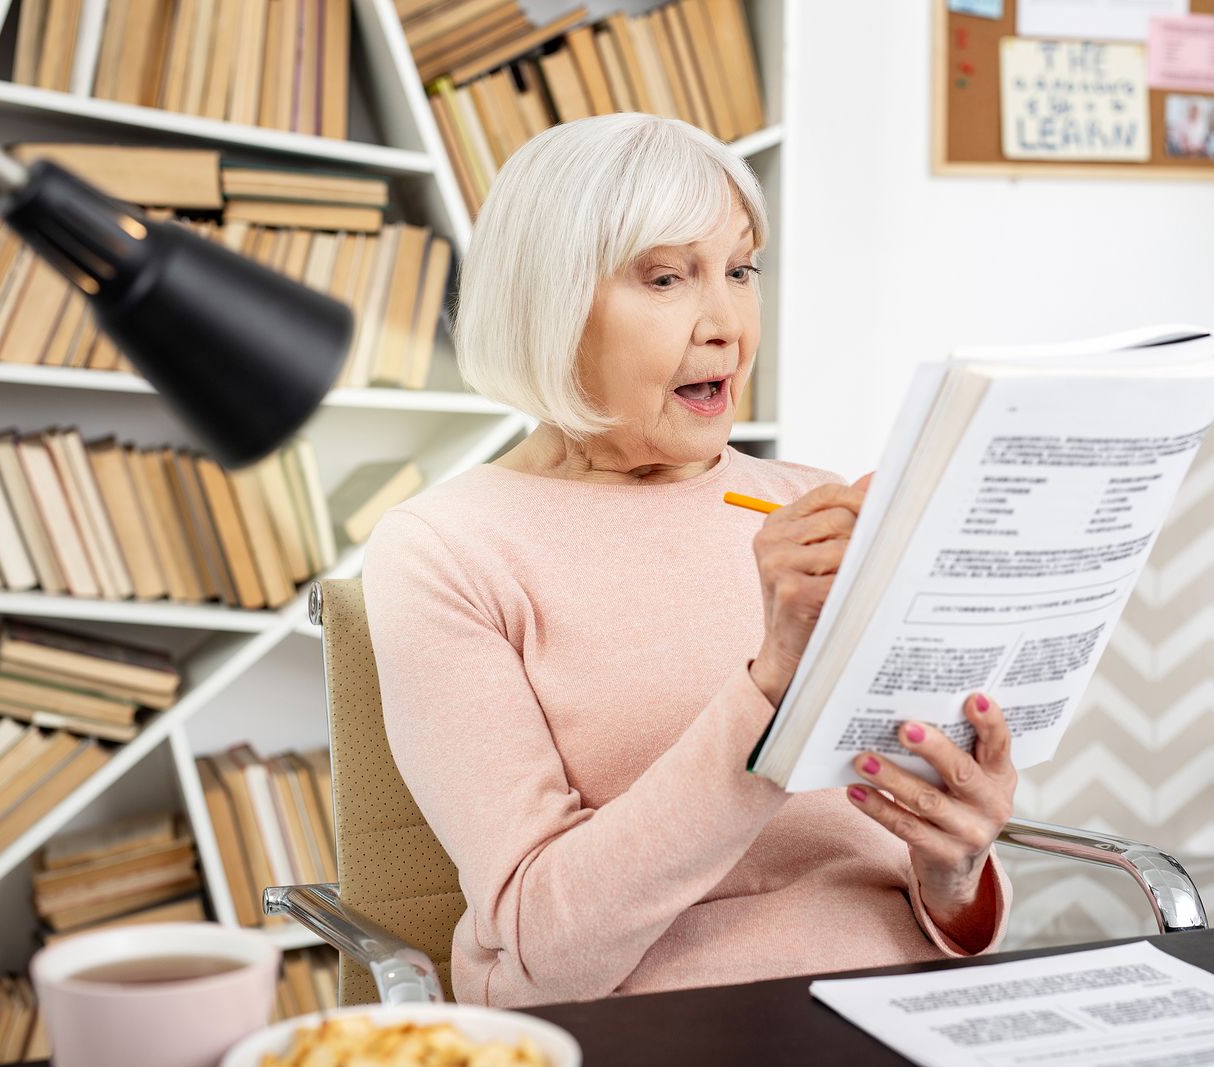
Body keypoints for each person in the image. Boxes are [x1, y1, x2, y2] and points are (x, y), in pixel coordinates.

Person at [361, 114, 1015, 1010]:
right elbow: (546, 950)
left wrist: (957, 867)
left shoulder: (816, 504)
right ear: (547, 306)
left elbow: (933, 892)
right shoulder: (445, 550)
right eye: (667, 277)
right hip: (664, 1021)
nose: (727, 327)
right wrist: (772, 689)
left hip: (916, 1005)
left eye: (740, 270)